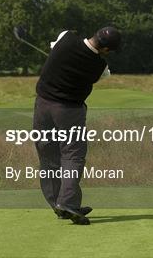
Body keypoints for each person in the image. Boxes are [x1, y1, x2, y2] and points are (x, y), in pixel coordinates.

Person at [33, 27, 121, 225]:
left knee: (48, 155)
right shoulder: (101, 67)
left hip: (42, 105)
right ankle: (67, 204)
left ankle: (60, 203)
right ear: (106, 50)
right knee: (73, 155)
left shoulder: (66, 36)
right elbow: (100, 75)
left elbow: (55, 46)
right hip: (69, 111)